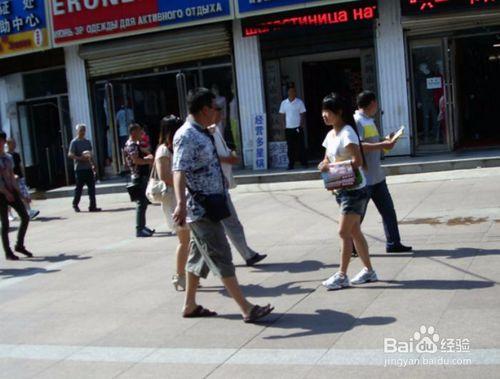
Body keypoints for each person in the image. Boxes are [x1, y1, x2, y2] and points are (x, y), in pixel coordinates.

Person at [172, 87, 273, 322]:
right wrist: (180, 204)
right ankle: (246, 308)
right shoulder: (187, 135)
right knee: (221, 255)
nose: (218, 112)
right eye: (215, 108)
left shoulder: (202, 132)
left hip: (212, 204)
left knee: (197, 258)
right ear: (205, 109)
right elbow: (179, 170)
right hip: (201, 208)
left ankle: (189, 305)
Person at [318, 93, 378, 290]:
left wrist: (334, 168)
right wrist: (324, 165)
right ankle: (369, 271)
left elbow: (358, 162)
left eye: (328, 111)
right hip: (341, 190)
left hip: (354, 190)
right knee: (354, 231)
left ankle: (342, 274)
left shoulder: (347, 133)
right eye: (323, 111)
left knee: (343, 232)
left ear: (339, 112)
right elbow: (327, 158)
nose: (324, 115)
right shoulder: (330, 135)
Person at [208, 102, 267, 267]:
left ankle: (244, 254)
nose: (221, 115)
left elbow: (222, 152)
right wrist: (228, 159)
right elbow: (211, 157)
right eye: (218, 112)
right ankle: (246, 255)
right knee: (228, 223)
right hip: (215, 186)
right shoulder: (205, 133)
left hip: (221, 184)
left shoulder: (216, 129)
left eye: (222, 112)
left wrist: (230, 156)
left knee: (224, 225)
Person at [354, 91, 412, 253]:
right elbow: (359, 146)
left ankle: (394, 243)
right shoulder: (358, 121)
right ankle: (351, 246)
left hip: (377, 176)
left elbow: (373, 143)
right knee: (357, 215)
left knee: (388, 211)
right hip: (364, 179)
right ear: (372, 103)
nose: (377, 107)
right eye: (376, 103)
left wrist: (387, 140)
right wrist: (382, 145)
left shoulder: (368, 121)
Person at [155, 115, 190, 291]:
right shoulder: (163, 151)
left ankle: (189, 275)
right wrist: (184, 181)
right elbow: (165, 176)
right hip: (173, 200)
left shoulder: (177, 147)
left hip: (182, 197)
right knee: (184, 239)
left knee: (189, 240)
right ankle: (180, 276)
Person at [0, 132, 32, 261]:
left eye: (2, 140)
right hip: (1, 193)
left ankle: (19, 245)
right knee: (5, 223)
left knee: (25, 216)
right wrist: (6, 193)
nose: (1, 143)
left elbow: (12, 177)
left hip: (11, 189)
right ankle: (8, 252)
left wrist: (22, 194)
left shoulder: (8, 157)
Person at [124, 123, 155, 238]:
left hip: (140, 175)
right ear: (133, 132)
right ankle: (139, 228)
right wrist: (148, 161)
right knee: (141, 203)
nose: (141, 134)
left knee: (143, 203)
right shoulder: (132, 144)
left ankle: (142, 226)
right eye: (138, 132)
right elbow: (136, 160)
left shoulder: (134, 144)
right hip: (138, 176)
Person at [68, 124, 101, 213]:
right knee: (79, 188)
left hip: (88, 168)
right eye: (81, 130)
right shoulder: (74, 142)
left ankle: (93, 206)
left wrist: (94, 165)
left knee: (92, 188)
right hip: (79, 169)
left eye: (84, 130)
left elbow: (90, 154)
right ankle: (75, 204)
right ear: (77, 131)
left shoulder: (87, 142)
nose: (82, 132)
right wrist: (79, 158)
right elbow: (70, 154)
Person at [6, 138, 40, 220]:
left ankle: (29, 211)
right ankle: (9, 214)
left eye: (15, 143)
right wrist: (12, 176)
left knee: (24, 194)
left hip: (19, 178)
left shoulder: (16, 155)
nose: (14, 145)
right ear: (8, 144)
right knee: (11, 197)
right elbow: (7, 169)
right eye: (12, 143)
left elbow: (20, 166)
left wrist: (23, 175)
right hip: (11, 179)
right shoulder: (7, 156)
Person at [279, 86, 307, 170]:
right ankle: (291, 164)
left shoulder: (299, 102)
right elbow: (282, 114)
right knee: (290, 147)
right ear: (288, 93)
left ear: (295, 93)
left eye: (293, 91)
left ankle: (304, 163)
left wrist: (301, 124)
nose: (291, 93)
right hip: (288, 128)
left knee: (301, 146)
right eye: (290, 91)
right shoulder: (284, 103)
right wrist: (283, 125)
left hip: (298, 128)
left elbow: (303, 113)